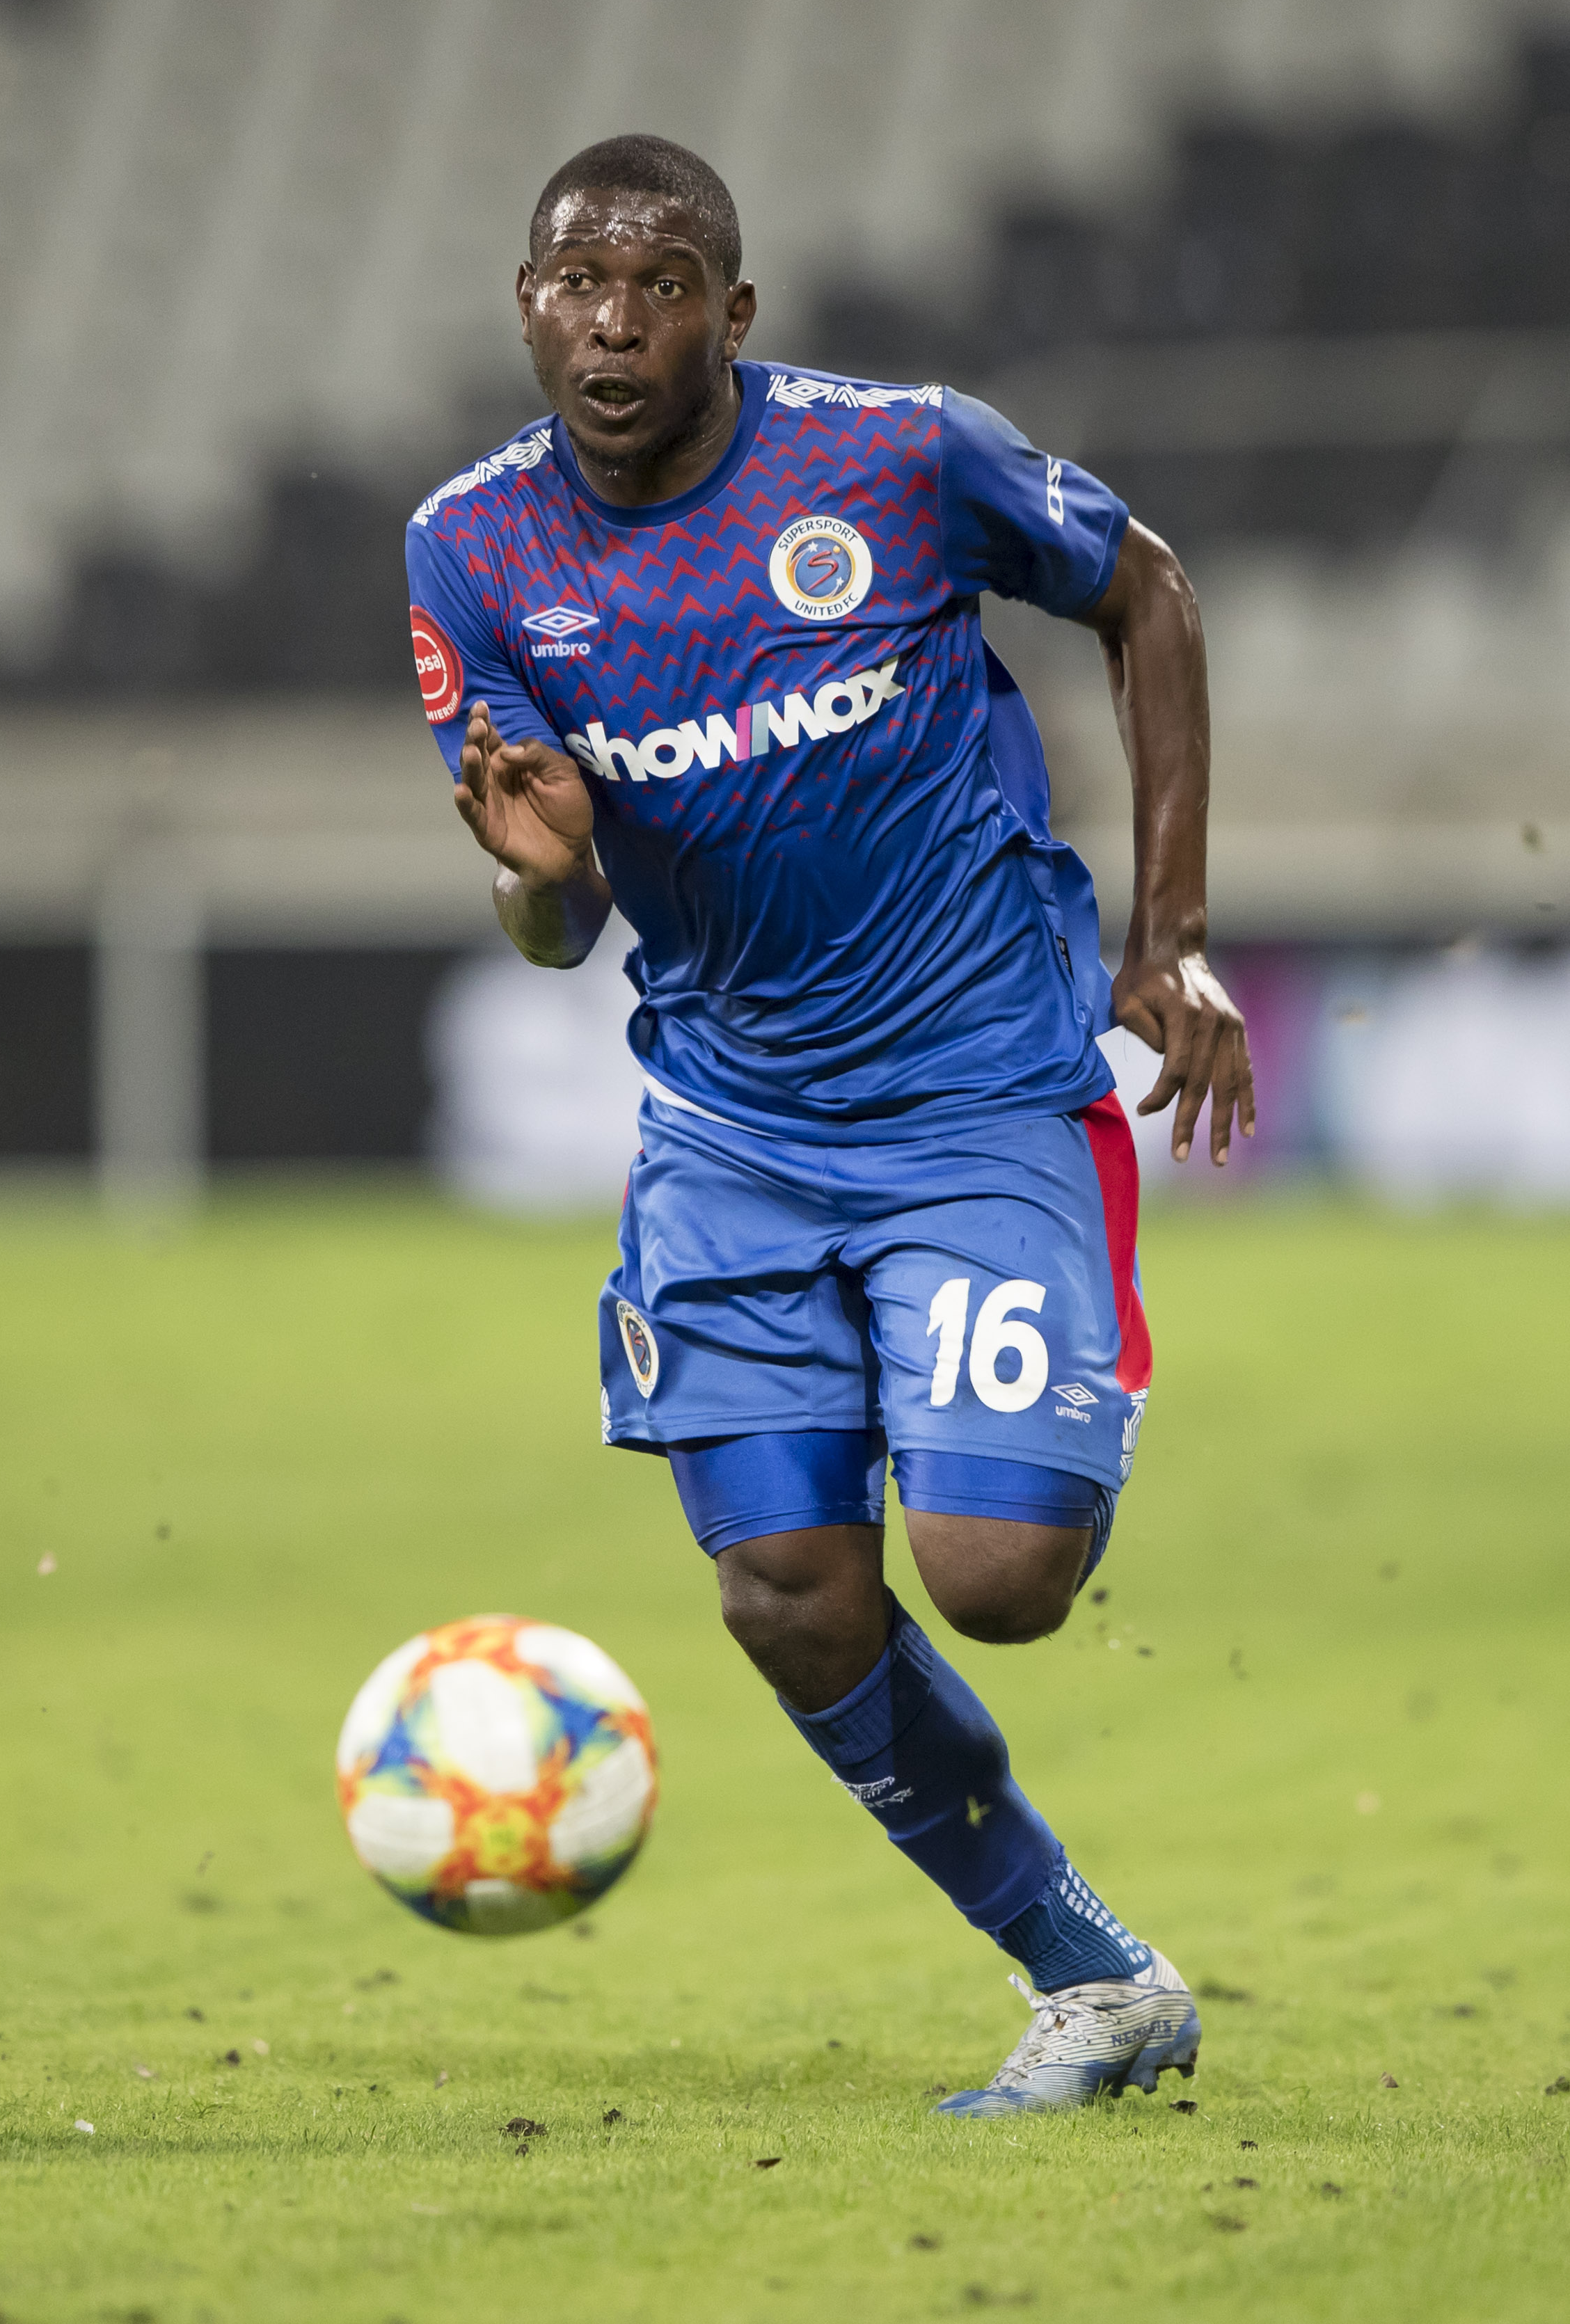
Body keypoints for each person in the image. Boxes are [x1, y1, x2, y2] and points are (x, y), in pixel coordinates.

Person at [406, 134, 1255, 2114]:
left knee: (997, 1577)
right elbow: (556, 925)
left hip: (975, 1082)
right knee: (785, 1588)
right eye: (577, 283)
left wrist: (1174, 939)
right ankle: (1093, 1978)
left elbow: (1148, 592)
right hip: (733, 1123)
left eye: (661, 285)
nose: (616, 324)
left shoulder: (898, 457)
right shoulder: (472, 549)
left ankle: (1073, 1350)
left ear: (735, 312)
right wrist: (539, 878)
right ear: (525, 305)